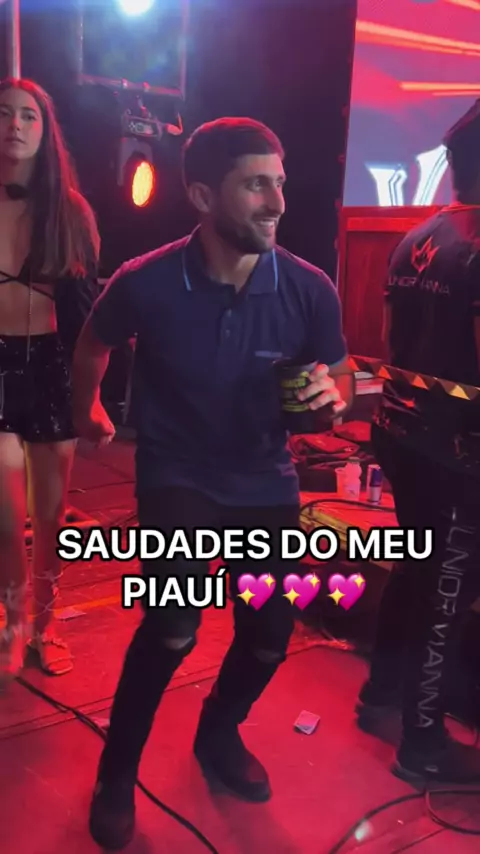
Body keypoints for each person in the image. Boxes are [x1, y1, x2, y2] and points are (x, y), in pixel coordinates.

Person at [72, 117, 354, 849]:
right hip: (178, 474)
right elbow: (95, 341)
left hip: (265, 479)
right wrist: (87, 408)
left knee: (269, 632)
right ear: (202, 195)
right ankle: (116, 772)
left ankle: (219, 732)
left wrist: (334, 397)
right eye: (256, 184)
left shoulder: (309, 288)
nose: (278, 202)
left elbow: (340, 369)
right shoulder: (146, 280)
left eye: (279, 182)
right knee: (173, 626)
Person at [356, 99, 480, 783]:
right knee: (448, 588)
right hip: (459, 453)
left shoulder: (415, 237)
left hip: (399, 432)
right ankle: (422, 741)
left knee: (416, 565)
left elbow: (389, 342)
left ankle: (380, 691)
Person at [0, 78, 100, 682]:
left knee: (51, 517)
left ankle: (46, 621)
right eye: (4, 113)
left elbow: (90, 319)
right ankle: (13, 621)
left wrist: (93, 400)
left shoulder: (70, 209)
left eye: (29, 115)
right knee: (6, 514)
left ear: (46, 131)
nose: (15, 124)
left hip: (51, 364)